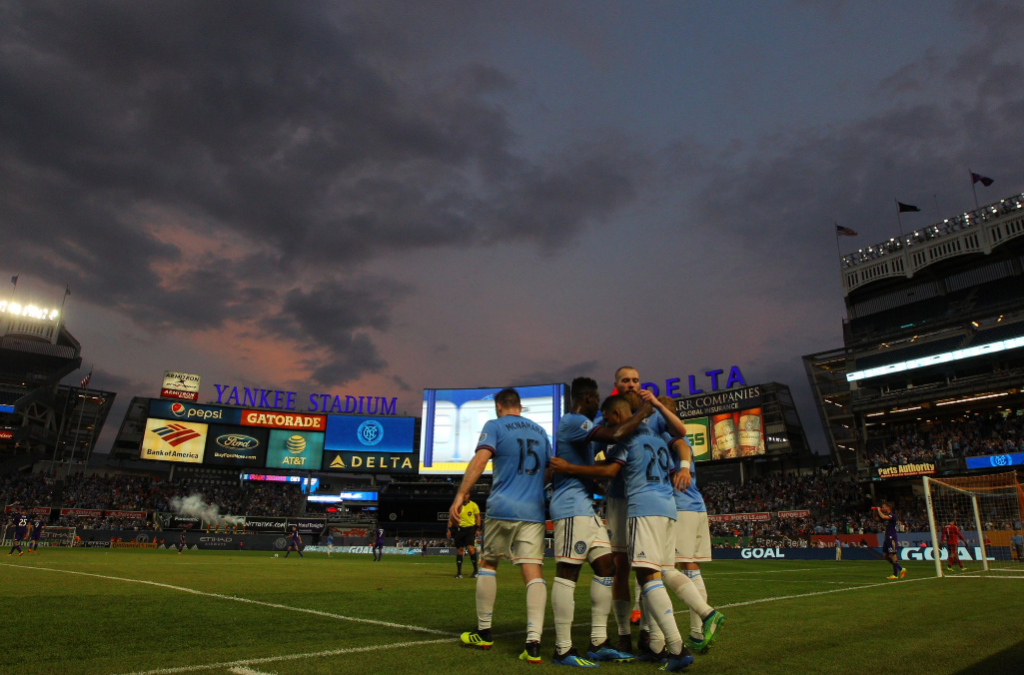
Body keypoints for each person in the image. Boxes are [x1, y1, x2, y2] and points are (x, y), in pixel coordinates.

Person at [553, 396, 724, 672]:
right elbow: (671, 459)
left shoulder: (625, 440)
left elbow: (610, 471)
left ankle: (679, 646)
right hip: (669, 508)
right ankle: (666, 640)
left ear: (619, 415)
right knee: (666, 570)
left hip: (643, 508)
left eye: (609, 419)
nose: (608, 424)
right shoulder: (658, 439)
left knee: (646, 576)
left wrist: (570, 469)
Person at [550, 377, 647, 666]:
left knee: (608, 566)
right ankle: (563, 649)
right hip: (570, 507)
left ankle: (598, 642)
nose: (598, 407)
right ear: (589, 399)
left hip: (586, 507)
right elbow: (615, 435)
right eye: (597, 400)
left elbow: (590, 468)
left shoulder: (582, 429)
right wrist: (642, 413)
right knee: (568, 572)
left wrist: (606, 474)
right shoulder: (573, 421)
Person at [452, 388, 552, 664]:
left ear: (499, 406)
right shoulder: (542, 432)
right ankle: (533, 643)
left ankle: (484, 632)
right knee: (533, 572)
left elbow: (481, 460)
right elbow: (550, 468)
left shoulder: (495, 425)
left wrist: (461, 494)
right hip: (533, 509)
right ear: (520, 406)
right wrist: (532, 488)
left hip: (503, 507)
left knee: (489, 564)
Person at [602, 366, 688, 653]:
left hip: (646, 498)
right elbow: (612, 439)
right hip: (619, 497)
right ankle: (625, 634)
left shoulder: (653, 413)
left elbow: (681, 438)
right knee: (622, 568)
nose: (631, 384)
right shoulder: (612, 411)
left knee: (647, 569)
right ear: (616, 384)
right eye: (625, 380)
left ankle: (651, 634)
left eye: (636, 380)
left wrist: (659, 405)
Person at [660, 417, 722, 655]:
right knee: (691, 567)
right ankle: (698, 631)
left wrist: (683, 467)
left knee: (665, 566)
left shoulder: (669, 436)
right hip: (697, 505)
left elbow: (681, 450)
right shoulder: (683, 438)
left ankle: (702, 621)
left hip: (682, 507)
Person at [448, 493, 481, 578]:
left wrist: (478, 529)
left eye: (466, 495)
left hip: (470, 529)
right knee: (460, 551)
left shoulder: (473, 505)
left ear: (469, 495)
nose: (464, 497)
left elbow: (478, 517)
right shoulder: (457, 506)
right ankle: (459, 573)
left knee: (471, 549)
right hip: (459, 530)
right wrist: (449, 529)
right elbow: (452, 518)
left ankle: (475, 571)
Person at [873, 503, 904, 579]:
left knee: (893, 555)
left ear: (888, 507)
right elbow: (876, 518)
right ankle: (900, 569)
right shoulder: (885, 516)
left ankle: (896, 573)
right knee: (885, 556)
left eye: (883, 507)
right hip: (886, 538)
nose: (882, 508)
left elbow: (883, 516)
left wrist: (878, 510)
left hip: (891, 537)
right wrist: (875, 511)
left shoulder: (892, 515)